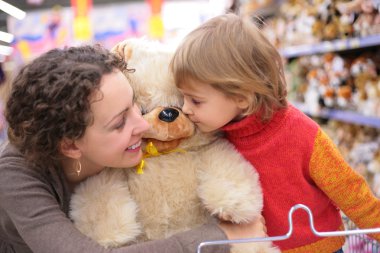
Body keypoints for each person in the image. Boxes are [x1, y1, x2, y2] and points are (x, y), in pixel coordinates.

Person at [0, 44, 267, 253]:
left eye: (135, 105)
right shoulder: (15, 175)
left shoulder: (131, 137)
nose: (142, 124)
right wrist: (220, 237)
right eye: (119, 123)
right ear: (70, 145)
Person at [170, 13, 380, 253]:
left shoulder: (301, 133)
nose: (185, 109)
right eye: (183, 98)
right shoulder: (212, 138)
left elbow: (349, 190)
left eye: (195, 101)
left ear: (241, 97)